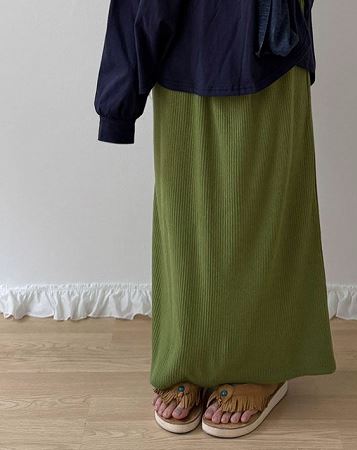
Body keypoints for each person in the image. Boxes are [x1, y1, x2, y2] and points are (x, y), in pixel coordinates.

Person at [94, 0, 336, 438]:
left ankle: (262, 364)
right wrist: (118, 100)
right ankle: (188, 358)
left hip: (268, 50)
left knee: (262, 216)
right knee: (187, 223)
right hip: (184, 51)